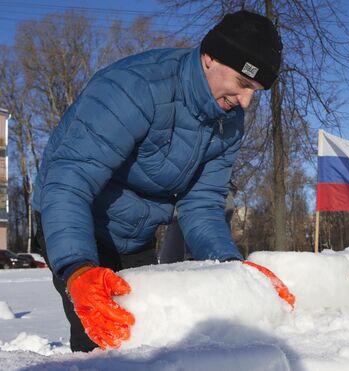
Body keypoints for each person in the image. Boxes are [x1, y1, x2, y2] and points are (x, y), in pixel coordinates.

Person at [32, 10, 293, 353]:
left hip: (135, 234)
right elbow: (69, 181)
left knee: (145, 342)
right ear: (210, 57)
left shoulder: (229, 122)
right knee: (101, 341)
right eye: (244, 84)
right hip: (73, 219)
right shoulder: (136, 87)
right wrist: (78, 270)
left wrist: (235, 272)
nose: (245, 101)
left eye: (255, 91)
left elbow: (202, 205)